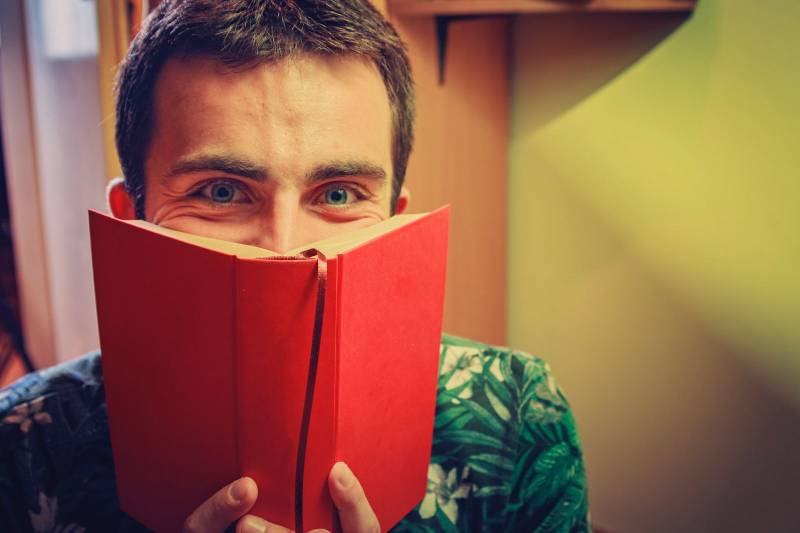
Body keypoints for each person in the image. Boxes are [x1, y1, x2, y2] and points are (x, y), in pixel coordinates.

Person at [0, 1, 589, 531]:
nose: (285, 249)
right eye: (220, 192)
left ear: (393, 220)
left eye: (338, 194)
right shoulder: (19, 446)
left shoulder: (517, 417)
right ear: (133, 217)